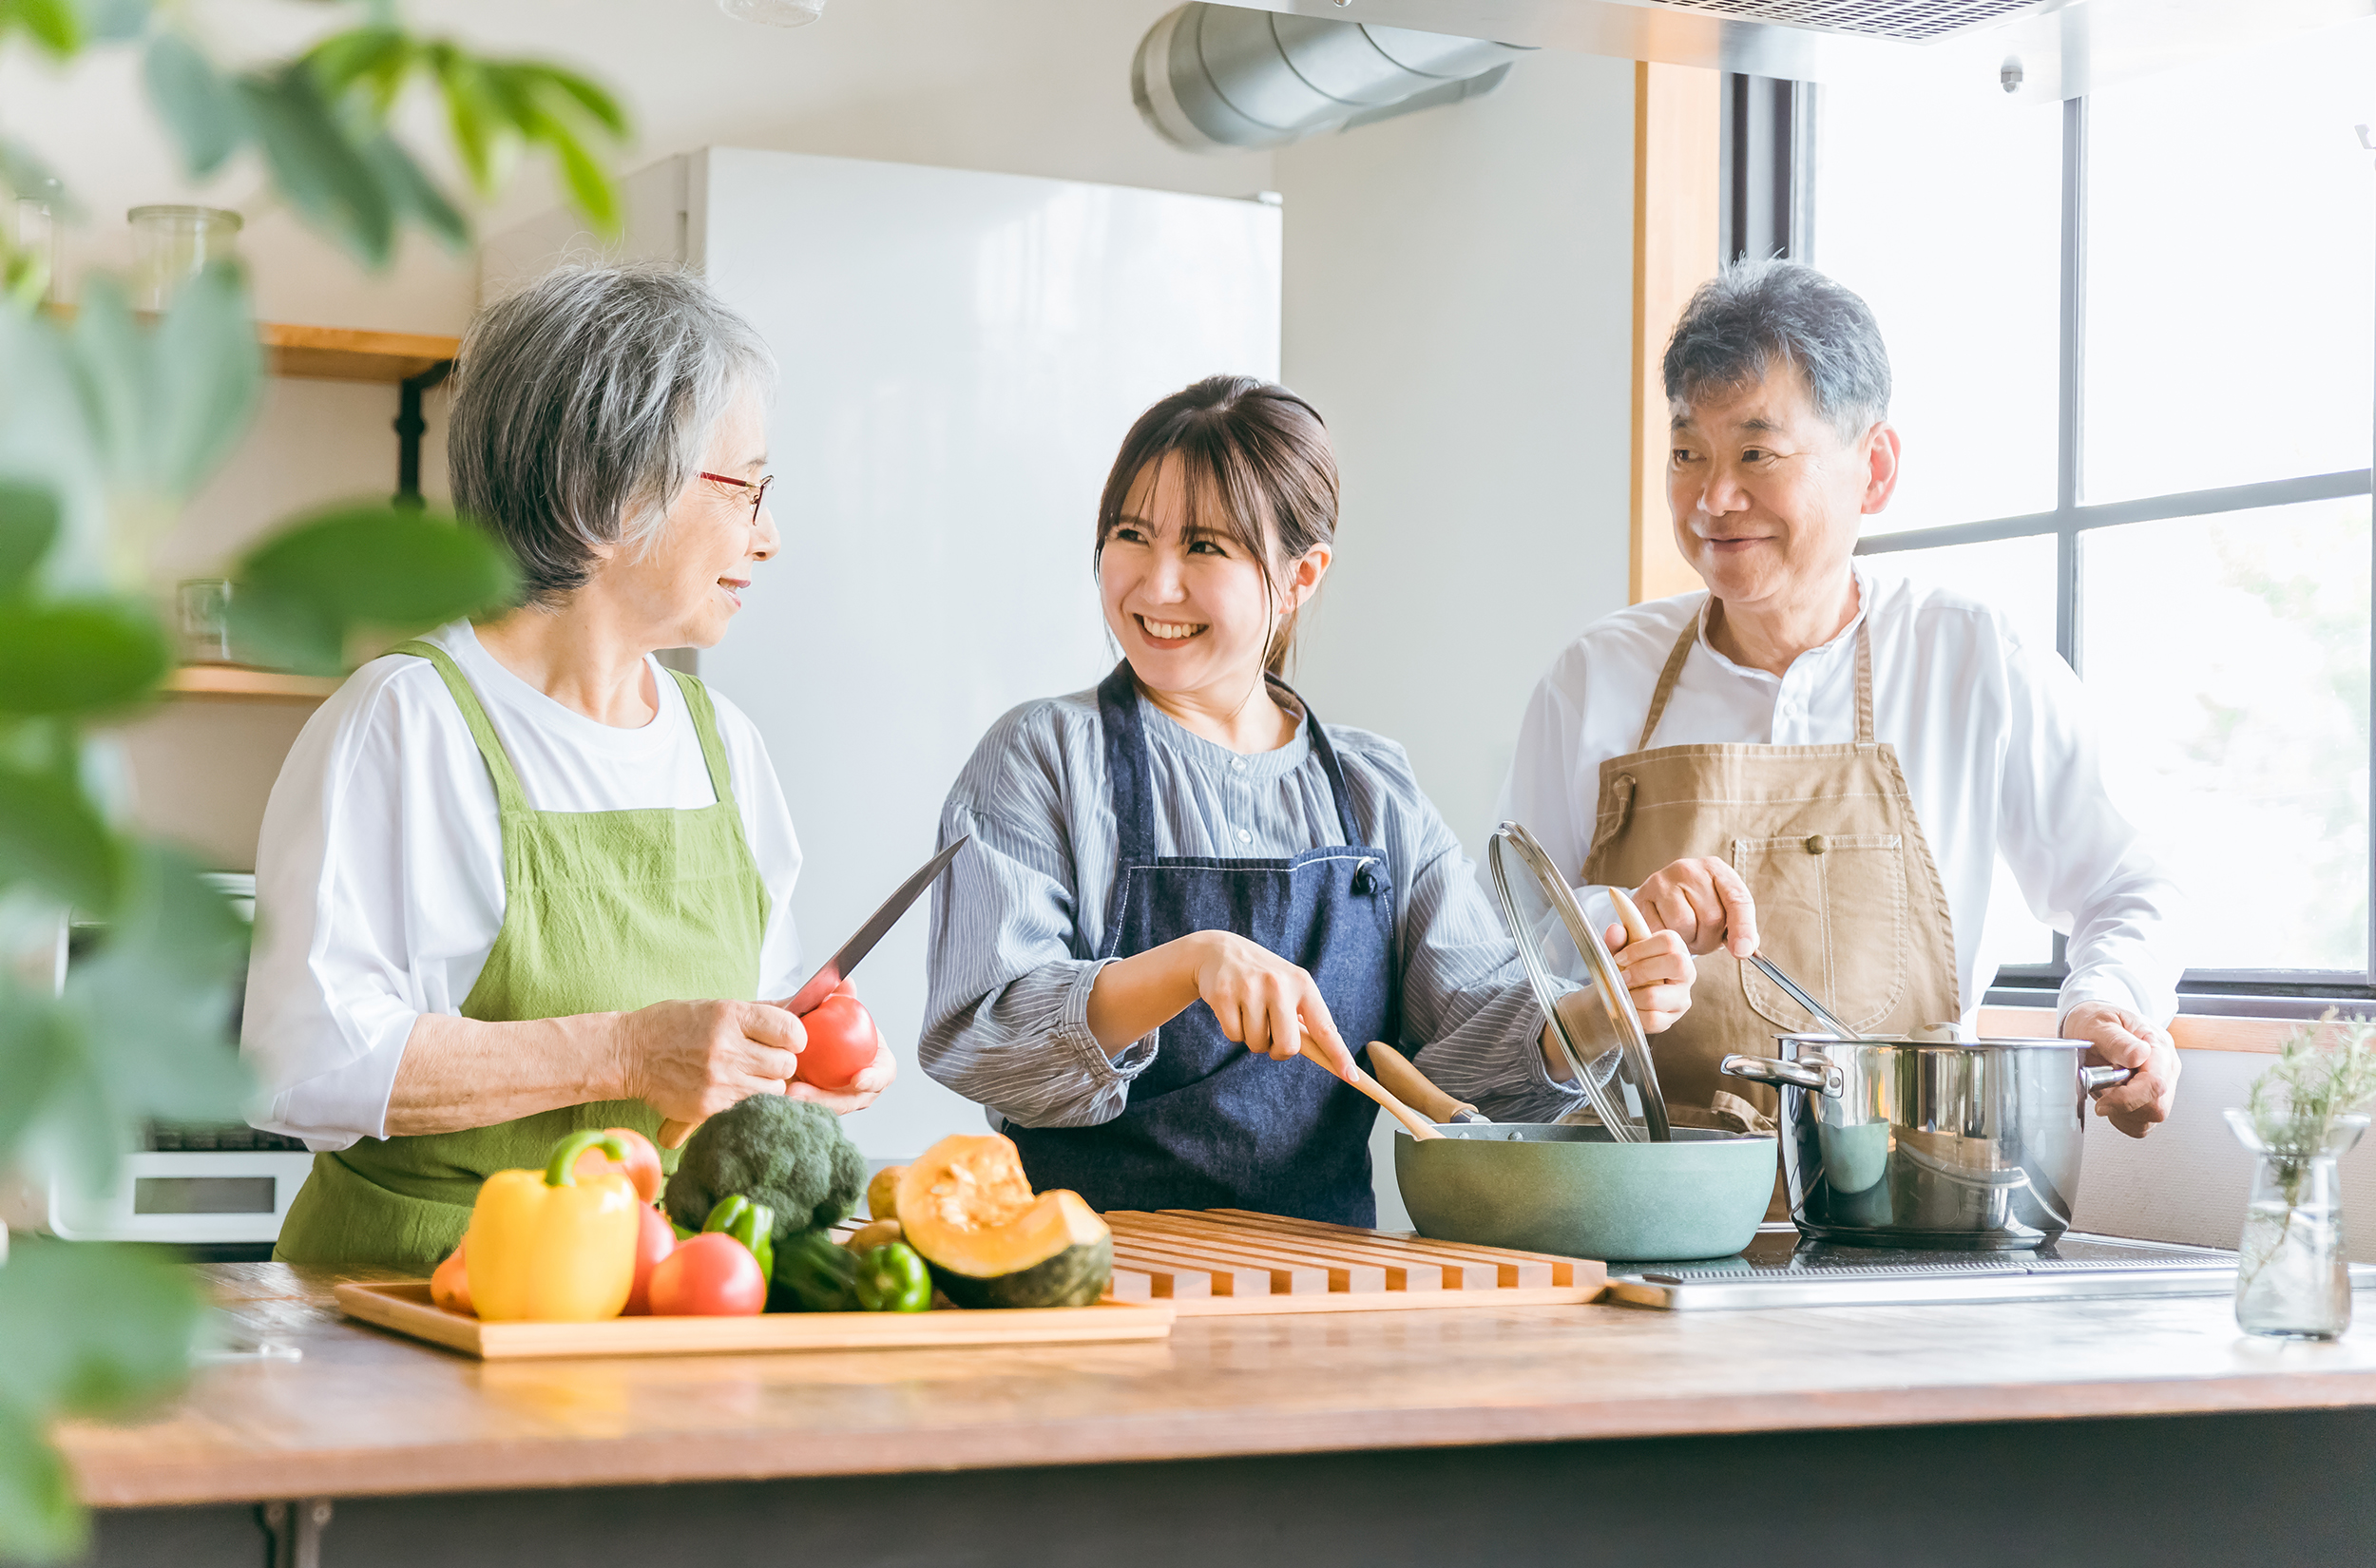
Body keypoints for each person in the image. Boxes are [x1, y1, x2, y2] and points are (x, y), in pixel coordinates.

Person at [919, 376, 1696, 1226]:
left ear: (1301, 576)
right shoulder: (1042, 757)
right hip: (1086, 1280)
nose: (1156, 582)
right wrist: (1188, 964)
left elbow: (1457, 1063)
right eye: (1131, 535)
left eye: (1207, 547)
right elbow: (983, 1033)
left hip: (1321, 1286)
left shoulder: (1372, 790)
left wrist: (1586, 1018)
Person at [249, 264, 892, 1271]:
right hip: (406, 1307)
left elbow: (747, 1037)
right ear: (601, 495)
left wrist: (793, 1061)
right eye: (743, 490)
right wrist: (627, 1050)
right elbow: (303, 1059)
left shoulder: (726, 744)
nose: (770, 538)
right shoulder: (406, 722)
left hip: (645, 1299)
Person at [1500, 259, 2180, 1139]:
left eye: (1756, 453)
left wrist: (2104, 1005)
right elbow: (1508, 946)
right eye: (1686, 453)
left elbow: (2127, 881)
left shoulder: (1974, 659)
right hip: (1650, 1194)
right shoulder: (1594, 678)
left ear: (1875, 468)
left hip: (1908, 1195)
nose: (1712, 497)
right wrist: (1620, 924)